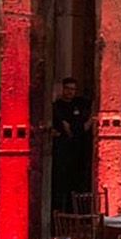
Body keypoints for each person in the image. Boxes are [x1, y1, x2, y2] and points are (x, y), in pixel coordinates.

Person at [51, 77, 93, 212]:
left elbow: (79, 128)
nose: (70, 92)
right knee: (60, 187)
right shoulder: (57, 107)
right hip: (62, 153)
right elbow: (65, 129)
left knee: (77, 187)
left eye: (73, 89)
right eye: (67, 89)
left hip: (79, 152)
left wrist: (85, 124)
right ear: (62, 89)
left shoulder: (80, 104)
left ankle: (76, 216)